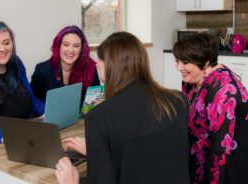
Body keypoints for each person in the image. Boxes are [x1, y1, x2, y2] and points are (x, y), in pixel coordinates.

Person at [55, 31, 190, 184]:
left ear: (109, 67)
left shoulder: (99, 117)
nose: (97, 67)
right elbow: (149, 153)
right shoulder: (178, 101)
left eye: (99, 65)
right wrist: (98, 150)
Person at [172, 32, 248, 184]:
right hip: (203, 153)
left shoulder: (222, 90)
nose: (179, 67)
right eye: (177, 61)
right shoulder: (191, 79)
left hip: (230, 161)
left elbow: (220, 152)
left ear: (205, 62)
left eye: (185, 62)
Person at [30, 25, 100, 104]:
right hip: (50, 116)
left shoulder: (90, 68)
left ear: (81, 49)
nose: (70, 50)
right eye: (66, 45)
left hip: (82, 116)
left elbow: (95, 100)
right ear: (58, 46)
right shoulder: (42, 69)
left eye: (76, 46)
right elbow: (32, 99)